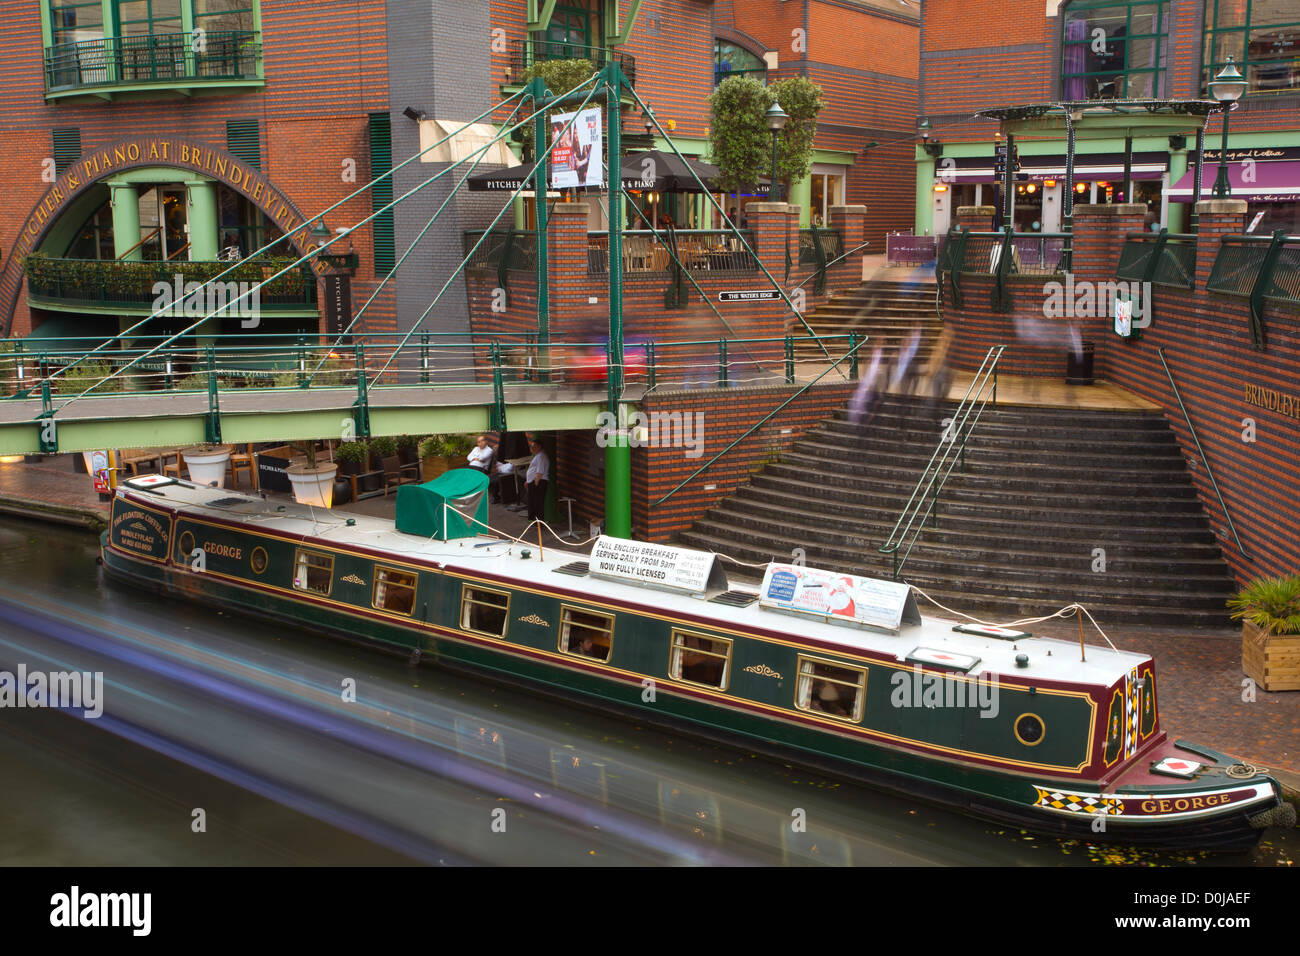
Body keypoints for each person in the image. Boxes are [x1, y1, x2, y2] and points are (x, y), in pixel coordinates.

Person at [525, 439, 549, 522]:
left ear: (539, 446)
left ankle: (539, 521)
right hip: (535, 482)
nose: (532, 448)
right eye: (531, 446)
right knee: (534, 502)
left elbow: (540, 471)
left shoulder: (541, 456)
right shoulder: (538, 456)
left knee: (537, 503)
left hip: (539, 482)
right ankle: (535, 520)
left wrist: (535, 482)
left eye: (534, 446)